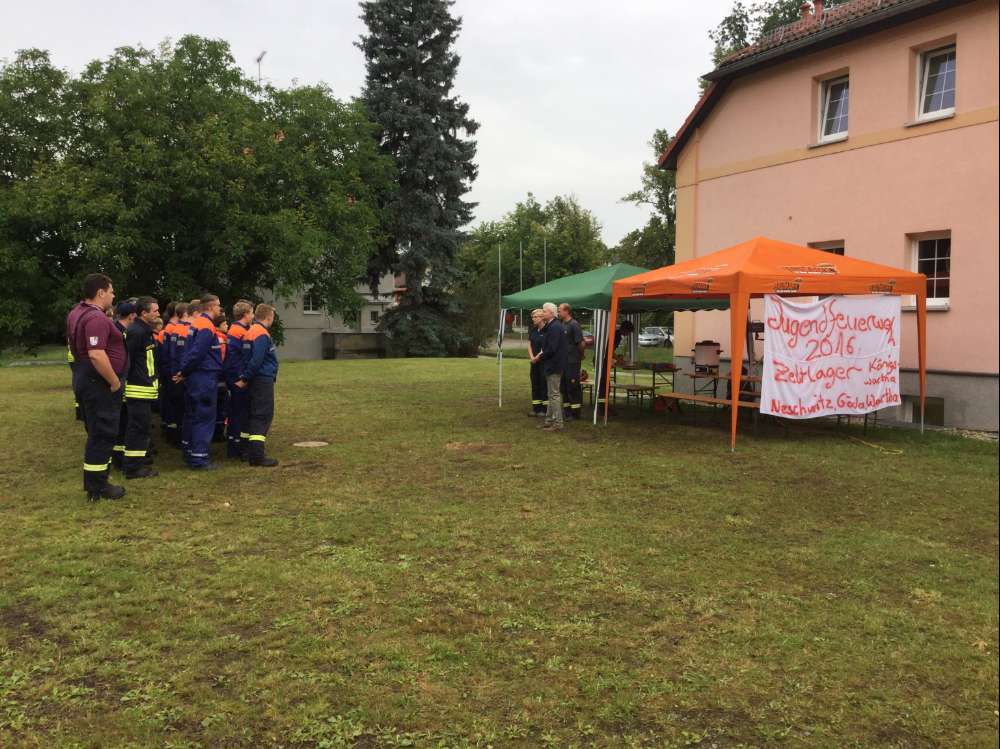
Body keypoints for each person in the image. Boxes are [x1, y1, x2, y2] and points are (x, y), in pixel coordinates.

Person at [66, 273, 127, 502]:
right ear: (100, 293)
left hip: (85, 378)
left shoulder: (77, 312)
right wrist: (114, 382)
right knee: (102, 434)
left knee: (97, 433)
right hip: (98, 383)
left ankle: (97, 482)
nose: (113, 295)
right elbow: (97, 355)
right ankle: (98, 487)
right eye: (111, 291)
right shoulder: (96, 318)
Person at [175, 294, 224, 469]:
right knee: (204, 416)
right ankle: (199, 457)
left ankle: (189, 451)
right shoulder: (206, 326)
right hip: (204, 376)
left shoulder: (196, 323)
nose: (220, 309)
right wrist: (185, 371)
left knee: (192, 415)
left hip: (195, 376)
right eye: (218, 306)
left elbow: (188, 352)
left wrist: (184, 371)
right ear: (210, 307)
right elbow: (197, 353)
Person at [235, 304, 279, 467]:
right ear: (268, 317)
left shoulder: (250, 331)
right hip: (261, 379)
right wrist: (246, 377)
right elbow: (257, 360)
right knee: (262, 415)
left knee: (252, 415)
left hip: (254, 379)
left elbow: (246, 359)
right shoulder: (261, 333)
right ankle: (257, 455)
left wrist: (245, 377)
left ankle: (247, 451)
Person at [122, 296, 161, 479]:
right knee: (138, 429)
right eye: (155, 310)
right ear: (144, 313)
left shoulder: (144, 331)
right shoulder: (136, 332)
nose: (158, 314)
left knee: (142, 428)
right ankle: (133, 468)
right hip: (138, 388)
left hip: (145, 387)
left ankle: (136, 464)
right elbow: (127, 360)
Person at [224, 300, 254, 458]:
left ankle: (234, 445)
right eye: (252, 313)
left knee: (236, 412)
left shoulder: (234, 329)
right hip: (238, 379)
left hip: (233, 377)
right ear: (245, 314)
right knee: (241, 413)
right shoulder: (240, 332)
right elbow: (236, 359)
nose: (253, 316)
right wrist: (242, 377)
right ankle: (240, 447)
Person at [532, 302, 567, 431]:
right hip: (551, 364)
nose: (542, 313)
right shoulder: (551, 325)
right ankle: (549, 420)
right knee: (551, 394)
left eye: (544, 311)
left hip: (554, 365)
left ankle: (558, 423)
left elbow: (551, 348)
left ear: (551, 313)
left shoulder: (554, 327)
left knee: (554, 395)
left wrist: (539, 357)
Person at [111, 300, 137, 468]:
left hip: (122, 381)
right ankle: (118, 459)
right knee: (121, 421)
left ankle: (119, 456)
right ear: (131, 316)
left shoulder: (118, 329)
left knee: (123, 421)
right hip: (119, 382)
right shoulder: (119, 332)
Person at [558, 303, 585, 420]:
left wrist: (580, 355)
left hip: (573, 361)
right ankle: (567, 412)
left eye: (560, 310)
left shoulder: (574, 324)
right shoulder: (562, 324)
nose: (558, 312)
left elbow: (581, 343)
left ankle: (575, 413)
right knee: (564, 387)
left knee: (573, 386)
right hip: (564, 361)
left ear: (567, 311)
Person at [526, 309, 547, 417]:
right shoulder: (533, 330)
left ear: (542, 317)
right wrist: (532, 357)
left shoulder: (547, 330)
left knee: (544, 385)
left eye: (535, 317)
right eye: (532, 317)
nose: (533, 319)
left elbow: (546, 347)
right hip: (534, 362)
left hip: (544, 362)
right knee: (535, 385)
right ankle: (536, 408)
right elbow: (529, 344)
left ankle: (544, 409)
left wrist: (537, 357)